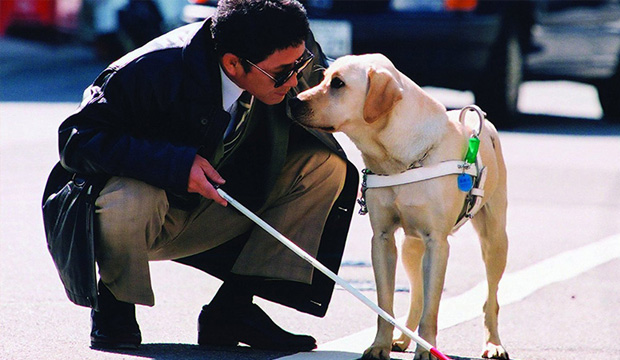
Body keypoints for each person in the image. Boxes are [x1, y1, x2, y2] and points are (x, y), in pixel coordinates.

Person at [42, 0, 358, 352]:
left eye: (300, 63)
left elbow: (346, 87)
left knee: (325, 167)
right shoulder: (153, 68)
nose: (296, 79)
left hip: (219, 206)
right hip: (144, 217)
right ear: (233, 63)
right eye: (283, 73)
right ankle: (114, 304)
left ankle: (232, 311)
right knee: (132, 195)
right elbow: (75, 139)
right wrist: (175, 164)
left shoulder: (284, 51)